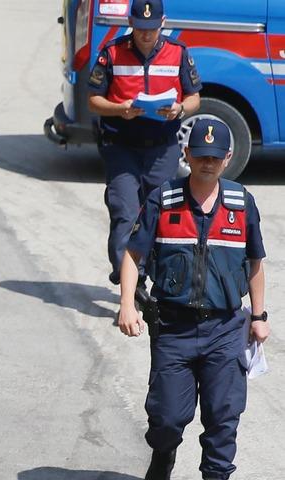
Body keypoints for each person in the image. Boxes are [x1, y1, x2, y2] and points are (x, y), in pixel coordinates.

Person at [117, 119, 270, 480]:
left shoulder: (242, 203)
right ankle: (163, 455)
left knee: (223, 417)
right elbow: (132, 256)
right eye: (200, 155)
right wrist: (127, 303)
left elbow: (255, 265)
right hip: (174, 328)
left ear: (228, 158)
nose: (208, 163)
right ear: (187, 154)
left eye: (215, 157)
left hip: (226, 329)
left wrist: (260, 316)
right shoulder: (164, 198)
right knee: (167, 419)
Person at [88, 0, 201, 288]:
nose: (146, 35)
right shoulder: (112, 52)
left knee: (161, 215)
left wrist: (179, 109)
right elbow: (93, 100)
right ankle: (132, 284)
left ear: (162, 23)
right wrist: (119, 109)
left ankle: (158, 279)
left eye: (151, 29)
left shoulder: (178, 53)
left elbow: (194, 98)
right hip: (121, 146)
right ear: (130, 24)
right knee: (125, 213)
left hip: (162, 148)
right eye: (140, 29)